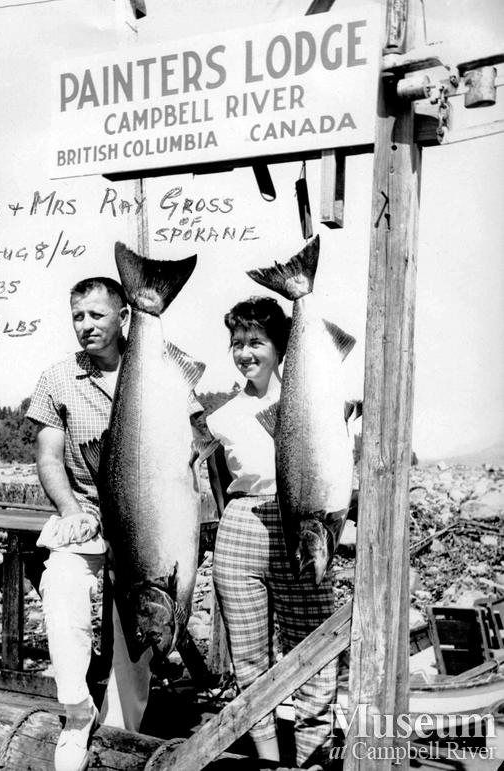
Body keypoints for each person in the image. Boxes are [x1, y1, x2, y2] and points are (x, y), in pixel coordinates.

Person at [26, 276, 153, 771]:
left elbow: (190, 443)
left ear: (123, 318)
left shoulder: (155, 370)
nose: (86, 326)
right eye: (78, 316)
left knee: (142, 618)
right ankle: (77, 716)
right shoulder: (58, 378)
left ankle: (123, 731)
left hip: (144, 519)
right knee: (61, 591)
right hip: (88, 516)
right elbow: (49, 458)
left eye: (96, 315)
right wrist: (71, 511)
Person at [206, 296, 338, 771]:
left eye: (256, 342)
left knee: (315, 652)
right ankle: (268, 762)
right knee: (249, 660)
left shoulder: (313, 401)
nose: (245, 352)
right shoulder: (220, 417)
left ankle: (310, 761)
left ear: (280, 348)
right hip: (240, 530)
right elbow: (220, 483)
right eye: (237, 343)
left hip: (298, 527)